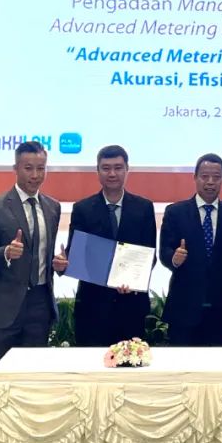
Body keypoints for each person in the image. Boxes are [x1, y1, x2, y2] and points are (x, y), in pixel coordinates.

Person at [0, 141, 67, 378]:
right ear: (15, 168)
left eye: (41, 168)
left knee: (32, 381)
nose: (35, 175)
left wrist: (59, 265)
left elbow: (44, 253)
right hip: (1, 308)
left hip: (40, 306)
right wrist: (5, 252)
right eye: (28, 168)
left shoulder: (53, 207)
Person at [68, 145, 156, 347]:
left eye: (118, 167)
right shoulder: (82, 209)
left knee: (131, 364)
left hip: (132, 307)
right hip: (92, 308)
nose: (112, 173)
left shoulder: (144, 208)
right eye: (106, 168)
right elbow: (76, 255)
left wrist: (131, 279)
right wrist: (63, 263)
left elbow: (149, 255)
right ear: (97, 171)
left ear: (127, 169)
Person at [159, 153, 222, 346]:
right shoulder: (175, 212)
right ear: (195, 177)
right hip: (184, 307)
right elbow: (164, 251)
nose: (210, 182)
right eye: (205, 176)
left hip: (221, 309)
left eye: (216, 177)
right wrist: (174, 259)